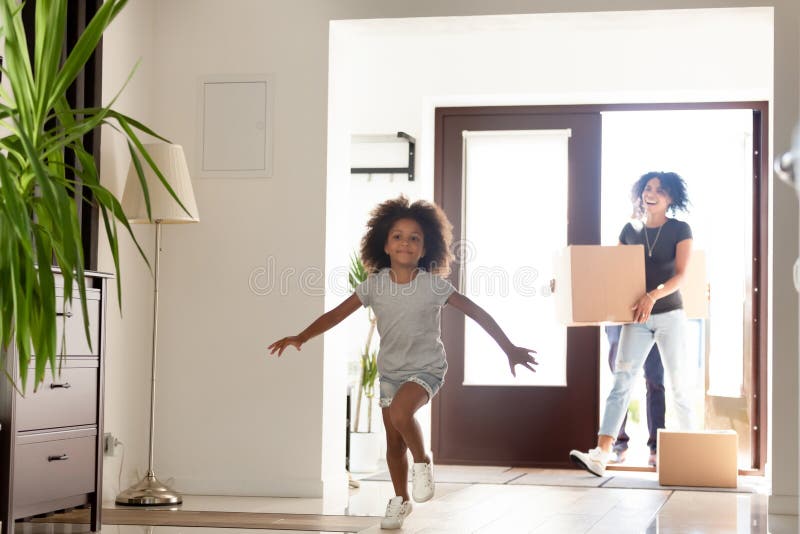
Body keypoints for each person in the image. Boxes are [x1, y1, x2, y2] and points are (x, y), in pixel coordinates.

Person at [268, 196, 537, 529]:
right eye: (398, 236)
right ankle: (400, 500)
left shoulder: (434, 286)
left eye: (414, 238)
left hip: (426, 369)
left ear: (425, 249)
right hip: (390, 372)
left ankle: (423, 462)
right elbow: (335, 315)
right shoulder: (374, 287)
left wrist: (508, 347)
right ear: (385, 244)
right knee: (393, 442)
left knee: (400, 412)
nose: (406, 242)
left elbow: (477, 313)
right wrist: (302, 336)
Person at [570, 171, 693, 477]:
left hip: (670, 316)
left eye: (660, 191)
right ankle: (601, 454)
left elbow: (680, 275)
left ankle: (692, 455)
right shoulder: (629, 230)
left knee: (678, 384)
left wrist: (653, 295)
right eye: (648, 188)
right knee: (621, 383)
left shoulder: (680, 228)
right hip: (635, 319)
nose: (652, 194)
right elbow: (617, 273)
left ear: (671, 198)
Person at [605, 324, 665, 467]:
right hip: (618, 316)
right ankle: (618, 445)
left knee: (655, 381)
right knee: (619, 383)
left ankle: (657, 448)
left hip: (652, 315)